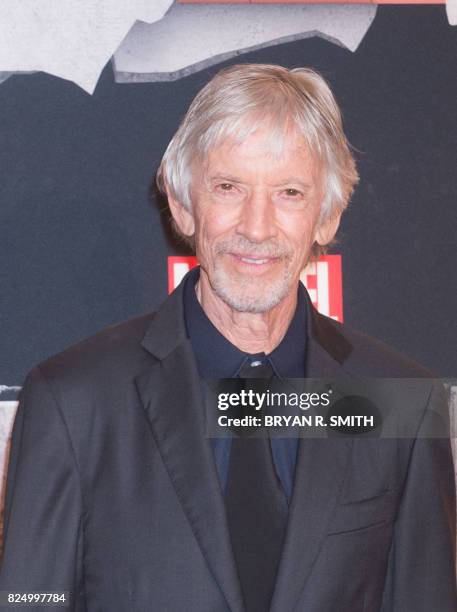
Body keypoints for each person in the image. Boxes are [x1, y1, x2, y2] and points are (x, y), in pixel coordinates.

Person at [0, 64, 455, 611]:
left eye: (289, 192)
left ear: (327, 216)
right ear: (183, 204)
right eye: (228, 187)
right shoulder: (74, 402)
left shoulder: (399, 402)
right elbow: (30, 599)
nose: (257, 227)